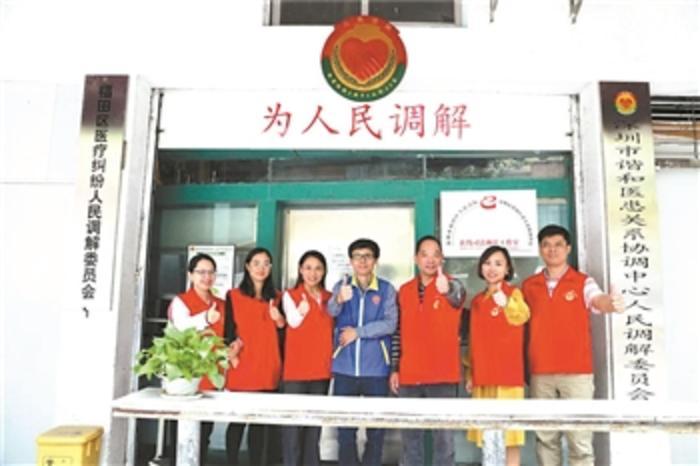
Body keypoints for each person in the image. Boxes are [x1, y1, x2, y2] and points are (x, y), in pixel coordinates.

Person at [522, 225, 624, 466]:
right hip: (540, 372)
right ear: (540, 249)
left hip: (577, 374)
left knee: (580, 440)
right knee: (546, 438)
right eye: (546, 245)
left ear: (568, 248)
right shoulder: (529, 286)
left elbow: (598, 301)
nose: (552, 250)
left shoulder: (582, 282)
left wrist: (611, 303)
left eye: (558, 244)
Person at [389, 235, 466, 466]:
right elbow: (397, 332)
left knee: (444, 440)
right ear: (416, 259)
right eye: (425, 254)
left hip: (443, 375)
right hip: (410, 375)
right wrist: (395, 368)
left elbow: (457, 297)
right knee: (410, 440)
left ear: (442, 259)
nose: (430, 260)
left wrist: (446, 289)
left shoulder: (453, 285)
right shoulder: (404, 290)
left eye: (435, 255)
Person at [327, 238, 398, 466]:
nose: (362, 261)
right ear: (351, 261)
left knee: (376, 429)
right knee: (345, 429)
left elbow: (390, 324)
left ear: (375, 260)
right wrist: (339, 298)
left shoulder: (386, 289)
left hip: (376, 369)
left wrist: (358, 332)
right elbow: (330, 311)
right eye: (357, 256)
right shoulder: (342, 286)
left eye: (367, 256)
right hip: (345, 369)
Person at [465, 246, 529, 466]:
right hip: (483, 375)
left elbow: (521, 316)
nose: (492, 268)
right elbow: (474, 341)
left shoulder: (514, 294)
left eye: (498, 264)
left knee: (510, 436)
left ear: (507, 269)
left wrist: (507, 303)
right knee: (487, 435)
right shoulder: (477, 301)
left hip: (507, 376)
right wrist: (470, 373)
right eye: (487, 263)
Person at [224, 247, 286, 466]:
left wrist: (279, 320)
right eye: (256, 263)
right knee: (237, 421)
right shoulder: (233, 296)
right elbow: (228, 330)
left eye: (266, 263)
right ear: (247, 266)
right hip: (243, 364)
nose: (261, 268)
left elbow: (284, 334)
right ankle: (232, 462)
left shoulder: (278, 297)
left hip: (269, 365)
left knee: (260, 424)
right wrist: (232, 356)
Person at [167, 252, 224, 465]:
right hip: (185, 377)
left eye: (211, 272)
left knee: (204, 434)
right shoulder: (180, 302)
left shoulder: (220, 303)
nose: (207, 277)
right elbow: (182, 327)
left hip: (210, 376)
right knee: (182, 436)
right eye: (201, 272)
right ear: (191, 275)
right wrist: (205, 319)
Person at [280, 250, 333, 466]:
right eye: (308, 268)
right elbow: (292, 322)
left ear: (324, 271)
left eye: (318, 268)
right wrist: (302, 310)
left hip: (321, 371)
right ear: (300, 270)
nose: (313, 273)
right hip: (296, 371)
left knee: (314, 428)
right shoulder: (290, 295)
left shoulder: (329, 298)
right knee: (293, 428)